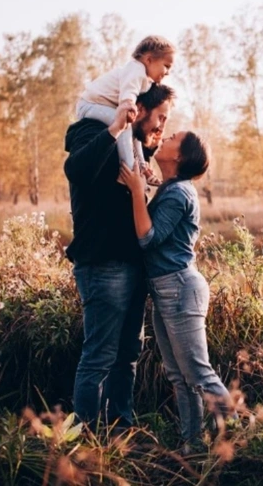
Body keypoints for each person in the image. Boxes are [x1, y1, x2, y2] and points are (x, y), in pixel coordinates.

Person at [63, 83, 175, 434]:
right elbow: (76, 171)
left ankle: (120, 430)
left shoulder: (136, 148)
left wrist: (150, 149)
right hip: (103, 262)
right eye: (160, 118)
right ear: (139, 110)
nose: (161, 127)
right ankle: (86, 438)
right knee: (99, 355)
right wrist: (114, 128)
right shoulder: (92, 131)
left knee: (127, 354)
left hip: (131, 264)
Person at [118, 131, 234, 454]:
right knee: (180, 377)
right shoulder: (173, 189)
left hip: (180, 290)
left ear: (179, 157)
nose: (165, 136)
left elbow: (147, 238)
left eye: (173, 137)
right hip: (167, 290)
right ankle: (192, 446)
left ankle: (243, 435)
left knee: (198, 374)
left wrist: (137, 190)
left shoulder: (178, 193)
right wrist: (150, 185)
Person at [75, 35, 176, 186]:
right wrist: (128, 104)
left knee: (133, 129)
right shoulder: (136, 70)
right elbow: (129, 91)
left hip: (102, 106)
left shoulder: (146, 80)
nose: (167, 72)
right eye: (166, 66)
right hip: (89, 105)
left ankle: (142, 168)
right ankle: (129, 172)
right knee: (125, 128)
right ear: (149, 60)